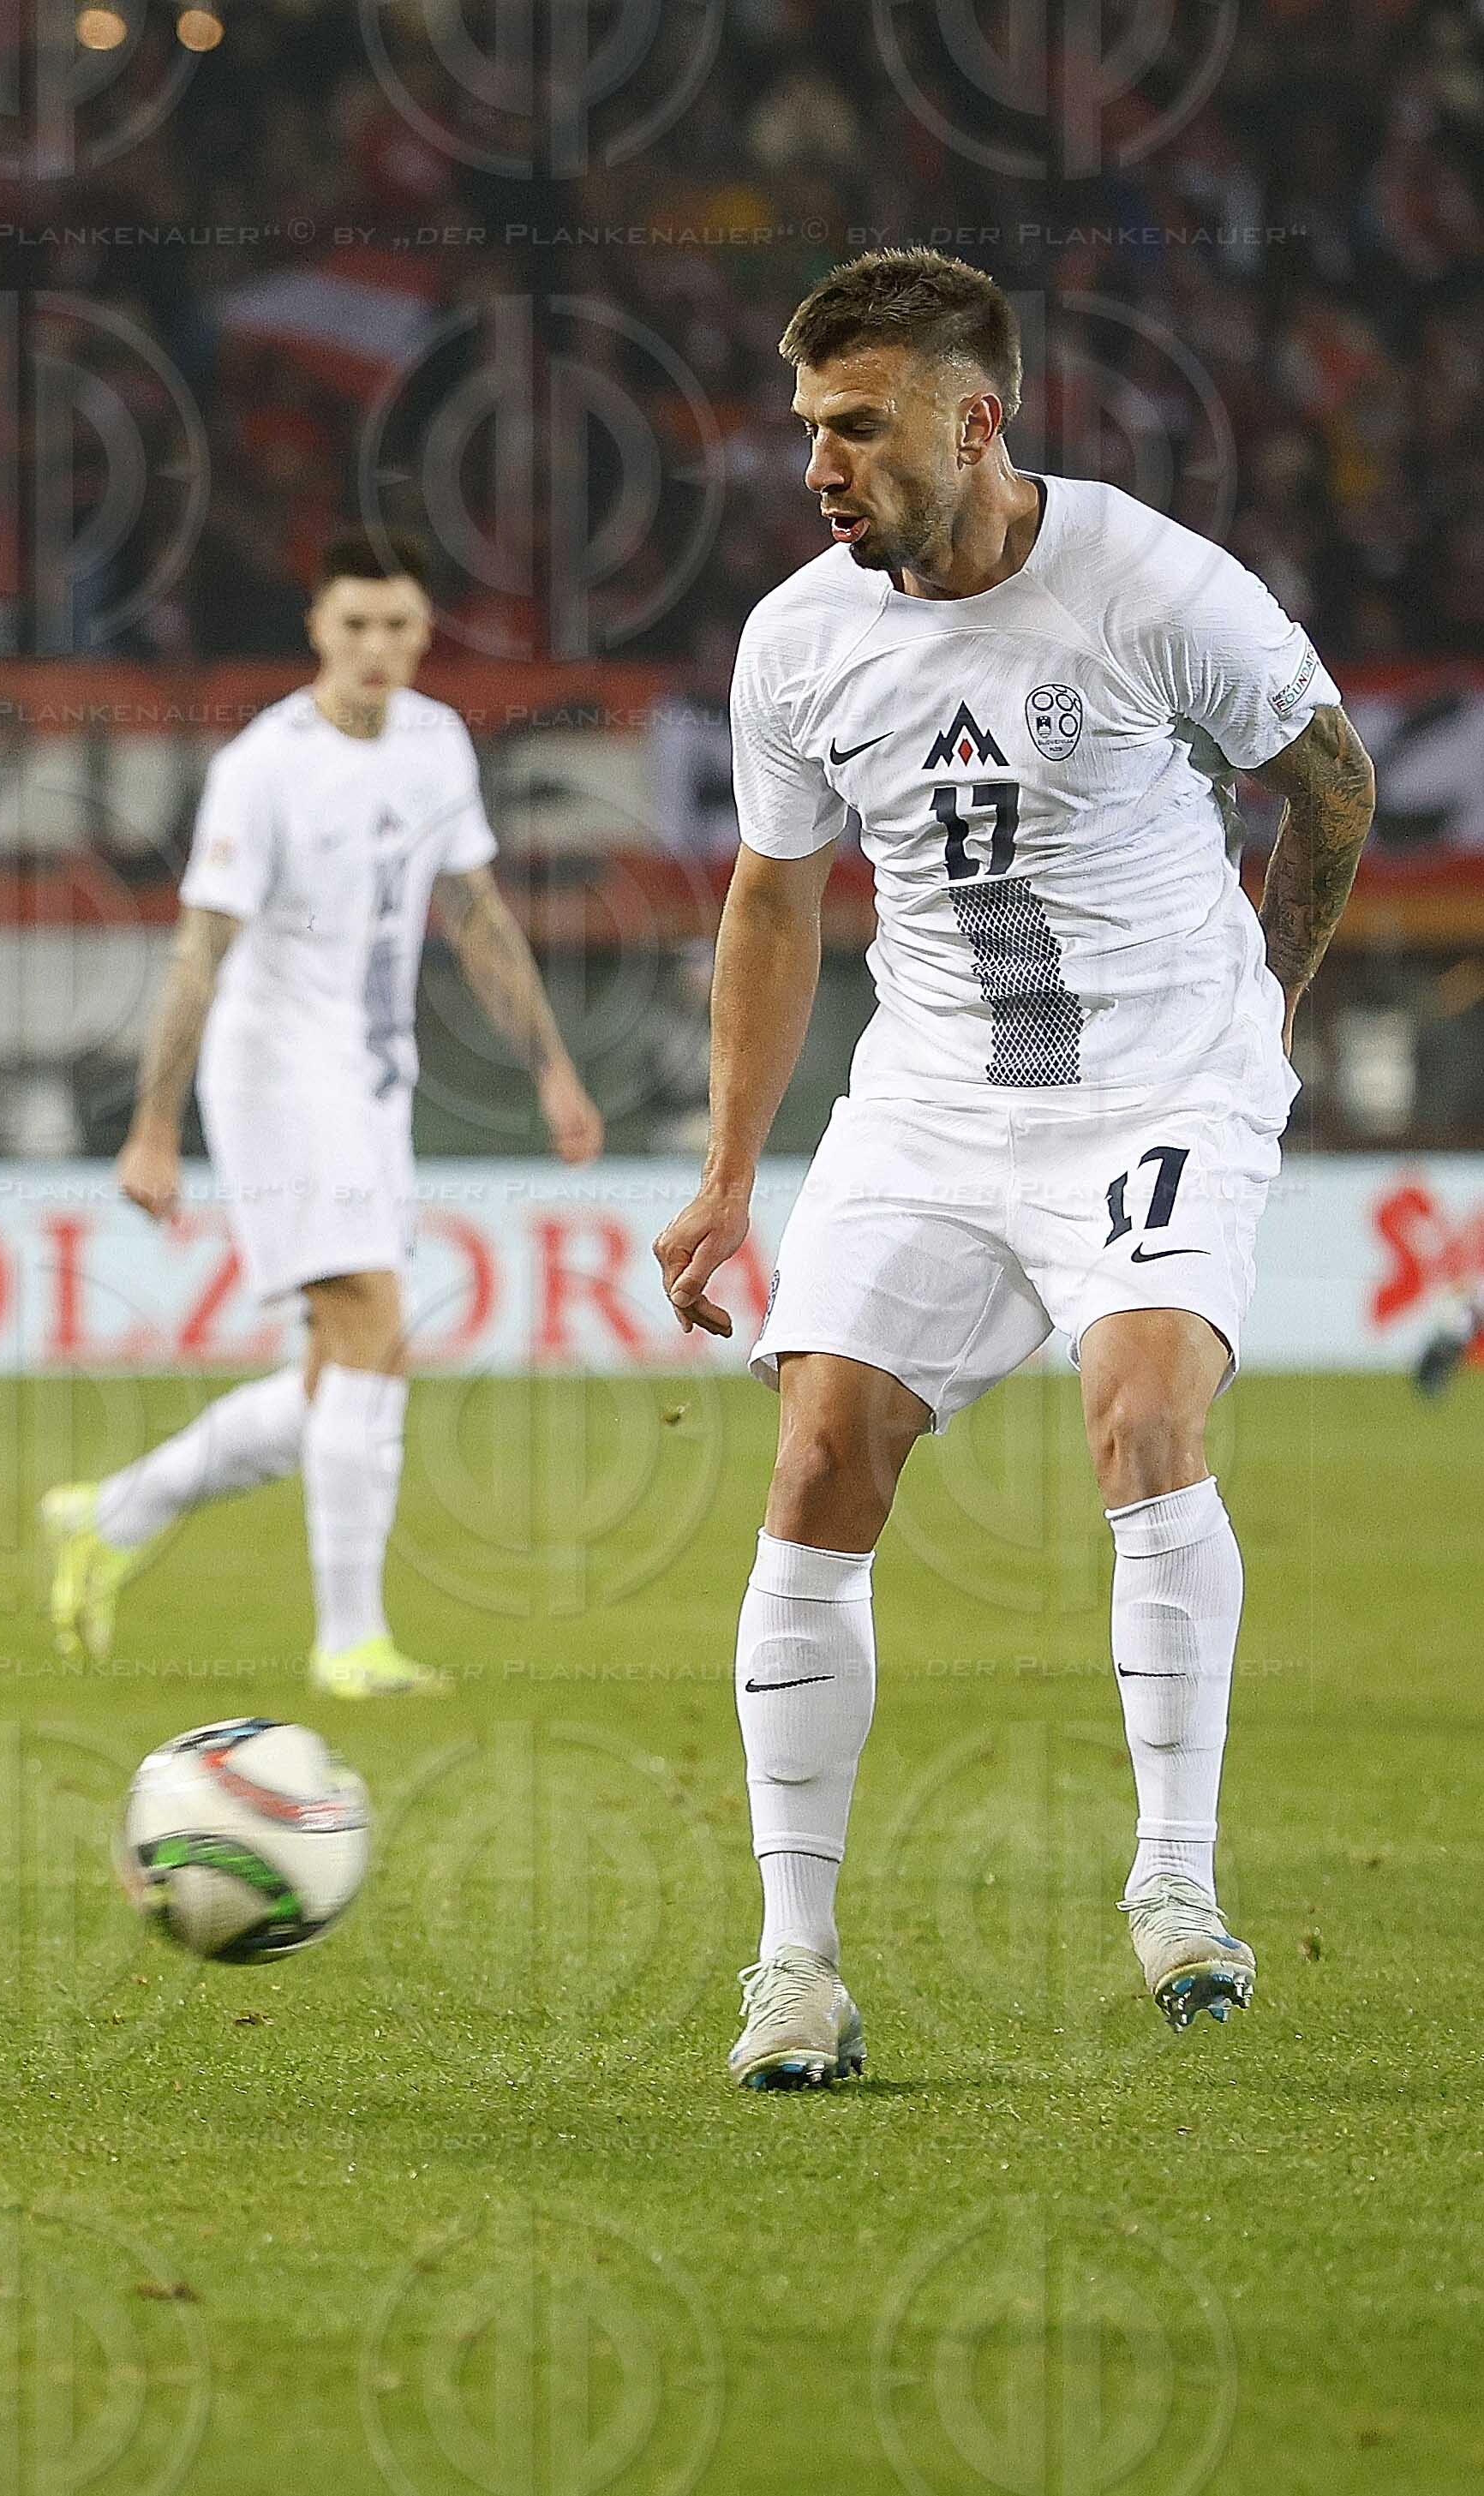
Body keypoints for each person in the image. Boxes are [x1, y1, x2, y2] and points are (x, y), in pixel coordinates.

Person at [650, 251, 1374, 2088]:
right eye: (809, 425)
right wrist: (734, 1170)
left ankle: (1177, 1883)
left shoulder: (1150, 586)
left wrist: (1263, 1013)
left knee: (1140, 1415)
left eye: (860, 423)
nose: (822, 462)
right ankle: (794, 1967)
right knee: (819, 1450)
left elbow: (1337, 776)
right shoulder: (798, 641)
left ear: (978, 420)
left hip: (1156, 1077)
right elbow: (772, 893)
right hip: (938, 1090)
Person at [42, 529, 605, 1697]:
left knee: (337, 1374)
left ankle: (111, 1511)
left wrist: (550, 1066)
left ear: (422, 633)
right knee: (375, 1327)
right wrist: (154, 1126)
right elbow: (201, 946)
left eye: (399, 626)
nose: (376, 648)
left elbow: (478, 912)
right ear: (317, 629)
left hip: (368, 1076)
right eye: (354, 625)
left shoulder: (437, 742)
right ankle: (349, 1641)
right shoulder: (265, 766)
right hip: (274, 1070)